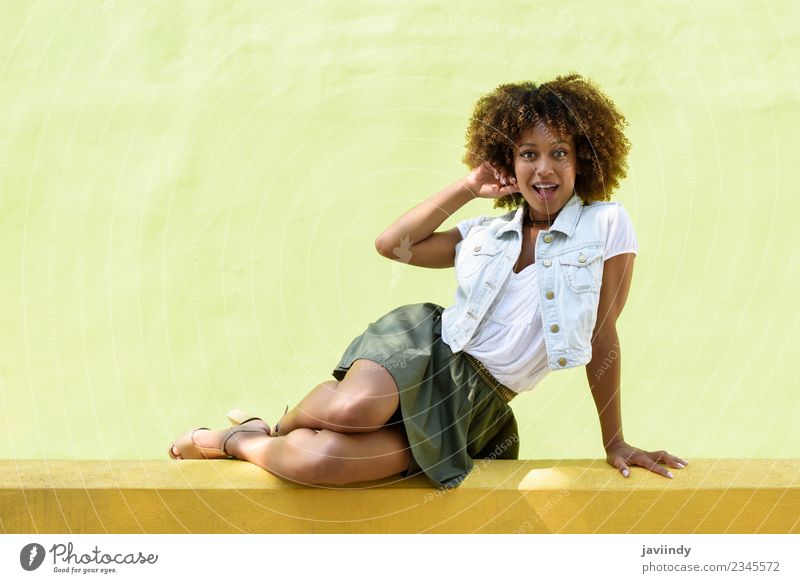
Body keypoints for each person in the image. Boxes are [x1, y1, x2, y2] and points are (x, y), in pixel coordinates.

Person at [168, 73, 688, 489]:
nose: (544, 167)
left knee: (320, 462)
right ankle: (276, 427)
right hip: (427, 347)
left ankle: (239, 439)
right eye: (528, 153)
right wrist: (467, 187)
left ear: (583, 159)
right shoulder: (487, 231)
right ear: (510, 162)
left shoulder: (607, 225)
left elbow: (602, 335)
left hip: (479, 400)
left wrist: (614, 442)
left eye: (559, 152)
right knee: (353, 408)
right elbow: (393, 244)